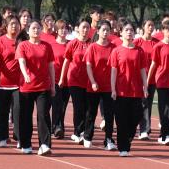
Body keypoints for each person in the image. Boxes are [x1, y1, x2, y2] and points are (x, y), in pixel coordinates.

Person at [16, 20, 56, 155]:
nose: (36, 30)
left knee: (43, 114)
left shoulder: (46, 46)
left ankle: (44, 144)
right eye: (33, 28)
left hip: (43, 86)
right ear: (28, 31)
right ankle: (26, 144)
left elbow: (51, 66)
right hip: (26, 87)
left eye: (38, 28)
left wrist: (53, 85)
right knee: (26, 116)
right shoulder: (23, 45)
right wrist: (25, 74)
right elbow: (21, 61)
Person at [110, 22, 149, 157]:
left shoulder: (139, 51)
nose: (129, 32)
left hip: (136, 90)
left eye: (131, 30)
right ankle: (123, 148)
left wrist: (145, 86)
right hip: (121, 90)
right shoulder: (116, 51)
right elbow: (114, 71)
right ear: (121, 33)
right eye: (126, 30)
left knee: (136, 116)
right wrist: (113, 89)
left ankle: (129, 136)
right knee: (121, 120)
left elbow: (143, 70)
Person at [0, 16, 22, 148]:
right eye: (12, 24)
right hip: (2, 83)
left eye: (16, 24)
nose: (14, 26)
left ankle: (19, 137)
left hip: (19, 83)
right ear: (6, 26)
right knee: (3, 110)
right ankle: (1, 136)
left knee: (18, 110)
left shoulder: (23, 41)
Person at [84, 20, 116, 150]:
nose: (105, 32)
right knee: (91, 113)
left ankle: (108, 139)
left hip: (109, 86)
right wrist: (92, 81)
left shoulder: (113, 48)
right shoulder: (92, 47)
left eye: (108, 30)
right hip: (94, 85)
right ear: (98, 31)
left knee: (109, 114)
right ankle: (87, 137)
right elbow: (88, 66)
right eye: (103, 30)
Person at [149, 18, 169, 145]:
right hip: (162, 81)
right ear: (162, 31)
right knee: (165, 109)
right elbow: (153, 65)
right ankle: (166, 135)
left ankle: (164, 134)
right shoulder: (158, 46)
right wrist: (147, 81)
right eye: (166, 29)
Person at [59, 19, 91, 144]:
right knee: (78, 107)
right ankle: (78, 132)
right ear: (78, 28)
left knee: (88, 108)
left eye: (87, 27)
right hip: (74, 80)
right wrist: (62, 78)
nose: (85, 30)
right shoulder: (72, 44)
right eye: (83, 27)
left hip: (88, 80)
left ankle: (84, 131)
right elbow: (66, 61)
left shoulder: (92, 44)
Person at [134, 19, 158, 140]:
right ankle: (140, 127)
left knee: (147, 103)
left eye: (152, 25)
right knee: (139, 104)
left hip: (152, 79)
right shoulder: (137, 42)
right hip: (138, 78)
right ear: (143, 27)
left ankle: (145, 130)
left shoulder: (156, 43)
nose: (150, 27)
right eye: (148, 25)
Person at [48, 20, 70, 139]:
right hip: (55, 79)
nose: (63, 30)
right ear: (56, 30)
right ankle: (57, 127)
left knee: (63, 105)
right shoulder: (51, 45)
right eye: (61, 28)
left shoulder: (70, 44)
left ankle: (57, 127)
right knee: (56, 104)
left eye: (65, 28)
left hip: (68, 80)